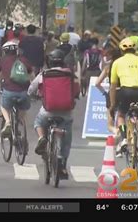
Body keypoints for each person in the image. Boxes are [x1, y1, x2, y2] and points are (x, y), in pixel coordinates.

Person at [28, 49, 79, 179]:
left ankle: (42, 138)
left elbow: (31, 89)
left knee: (38, 122)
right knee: (66, 140)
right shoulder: (69, 74)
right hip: (66, 113)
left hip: (47, 111)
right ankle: (62, 164)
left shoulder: (43, 74)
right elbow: (77, 89)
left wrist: (33, 95)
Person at [110, 37, 138, 169]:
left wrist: (112, 104)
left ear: (122, 49)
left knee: (121, 115)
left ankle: (123, 138)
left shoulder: (117, 62)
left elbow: (113, 86)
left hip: (125, 92)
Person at [0, 40, 32, 136]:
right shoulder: (24, 60)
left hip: (9, 91)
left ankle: (8, 122)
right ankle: (19, 120)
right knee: (24, 108)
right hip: (24, 92)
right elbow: (31, 77)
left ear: (4, 51)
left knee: (3, 106)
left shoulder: (2, 60)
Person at [95, 48, 122, 145]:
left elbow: (97, 83)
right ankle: (122, 136)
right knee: (122, 118)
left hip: (112, 93)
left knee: (110, 124)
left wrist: (105, 93)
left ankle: (116, 132)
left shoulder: (108, 67)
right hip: (125, 92)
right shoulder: (124, 66)